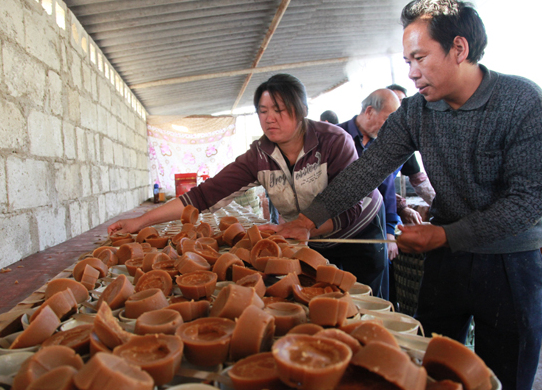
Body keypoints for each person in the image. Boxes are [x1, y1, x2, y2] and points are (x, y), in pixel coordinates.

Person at [269, 1, 542, 389]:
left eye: (419, 58)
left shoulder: (521, 101)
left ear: (459, 49)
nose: (411, 73)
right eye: (407, 60)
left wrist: (446, 234)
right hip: (446, 260)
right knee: (428, 364)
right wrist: (308, 219)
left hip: (509, 261)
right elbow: (366, 169)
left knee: (505, 372)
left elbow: (527, 202)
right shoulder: (416, 112)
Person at [108, 73, 389, 298]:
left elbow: (349, 207)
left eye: (280, 110)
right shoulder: (259, 155)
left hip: (358, 234)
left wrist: (304, 226)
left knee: (359, 303)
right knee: (317, 298)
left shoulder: (333, 141)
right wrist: (141, 221)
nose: (270, 118)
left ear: (301, 109)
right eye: (263, 110)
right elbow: (203, 196)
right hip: (308, 237)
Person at [337, 89, 401, 263]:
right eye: (387, 120)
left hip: (372, 234)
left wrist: (389, 232)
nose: (391, 127)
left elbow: (387, 188)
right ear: (370, 111)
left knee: (373, 285)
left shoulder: (384, 144)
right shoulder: (334, 137)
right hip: (335, 234)